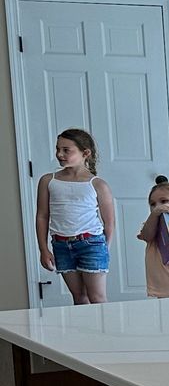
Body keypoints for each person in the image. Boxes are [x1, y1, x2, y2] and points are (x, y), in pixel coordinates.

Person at [35, 128, 112, 304]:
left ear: (85, 153)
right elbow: (42, 215)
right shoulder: (48, 181)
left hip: (91, 243)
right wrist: (43, 249)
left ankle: (105, 331)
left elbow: (109, 222)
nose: (59, 154)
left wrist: (104, 249)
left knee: (97, 298)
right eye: (57, 149)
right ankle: (84, 331)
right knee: (79, 297)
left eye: (66, 150)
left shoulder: (98, 184)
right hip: (61, 245)